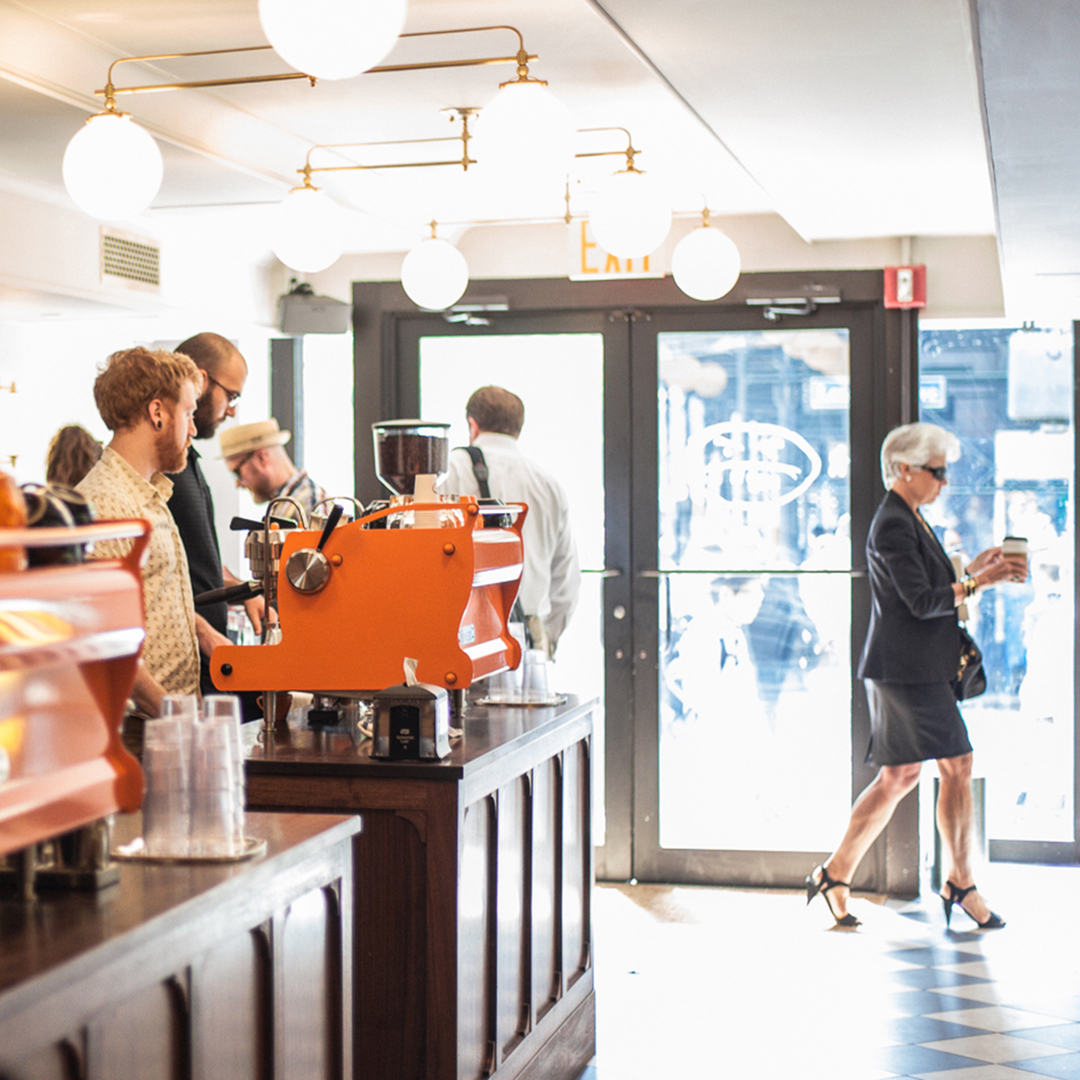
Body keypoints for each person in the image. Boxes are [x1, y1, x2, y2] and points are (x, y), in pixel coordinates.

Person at [806, 423, 1028, 929]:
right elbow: (922, 601)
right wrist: (979, 580)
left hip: (906, 667)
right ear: (904, 469)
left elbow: (930, 588)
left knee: (901, 775)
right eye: (937, 471)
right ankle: (961, 883)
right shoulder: (893, 522)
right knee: (956, 763)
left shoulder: (909, 517)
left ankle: (835, 874)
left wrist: (975, 569)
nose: (944, 482)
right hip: (905, 671)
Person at [76, 346, 204, 718]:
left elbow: (150, 598)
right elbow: (105, 639)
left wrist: (208, 636)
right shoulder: (107, 502)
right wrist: (174, 714)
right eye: (189, 413)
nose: (193, 429)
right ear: (158, 412)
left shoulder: (148, 492)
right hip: (140, 732)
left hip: (164, 725)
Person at [439, 386, 580, 657]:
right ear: (518, 429)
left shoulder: (448, 472)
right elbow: (566, 581)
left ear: (473, 425)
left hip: (464, 633)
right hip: (529, 633)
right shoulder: (548, 484)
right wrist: (543, 638)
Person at [169, 332, 264, 706]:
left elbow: (195, 560)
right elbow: (157, 580)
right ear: (203, 382)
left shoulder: (188, 462)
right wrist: (205, 633)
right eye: (232, 396)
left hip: (208, 666)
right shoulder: (161, 471)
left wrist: (243, 592)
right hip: (182, 672)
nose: (232, 410)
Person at [220, 418, 327, 520]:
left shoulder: (308, 506)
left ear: (261, 458)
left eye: (237, 473)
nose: (238, 484)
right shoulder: (288, 505)